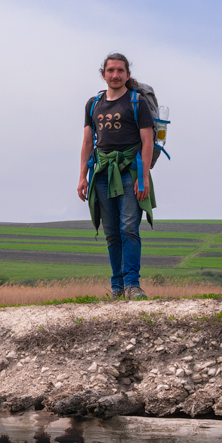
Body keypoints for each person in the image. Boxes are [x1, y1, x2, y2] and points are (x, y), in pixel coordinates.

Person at [77, 53, 156, 300]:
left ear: (127, 75)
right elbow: (88, 142)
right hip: (101, 172)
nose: (115, 75)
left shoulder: (137, 102)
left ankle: (133, 285)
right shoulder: (93, 104)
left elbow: (147, 141)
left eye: (120, 70)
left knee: (129, 228)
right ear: (103, 74)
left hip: (130, 172)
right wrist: (82, 176)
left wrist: (142, 178)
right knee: (111, 231)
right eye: (111, 70)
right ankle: (117, 288)